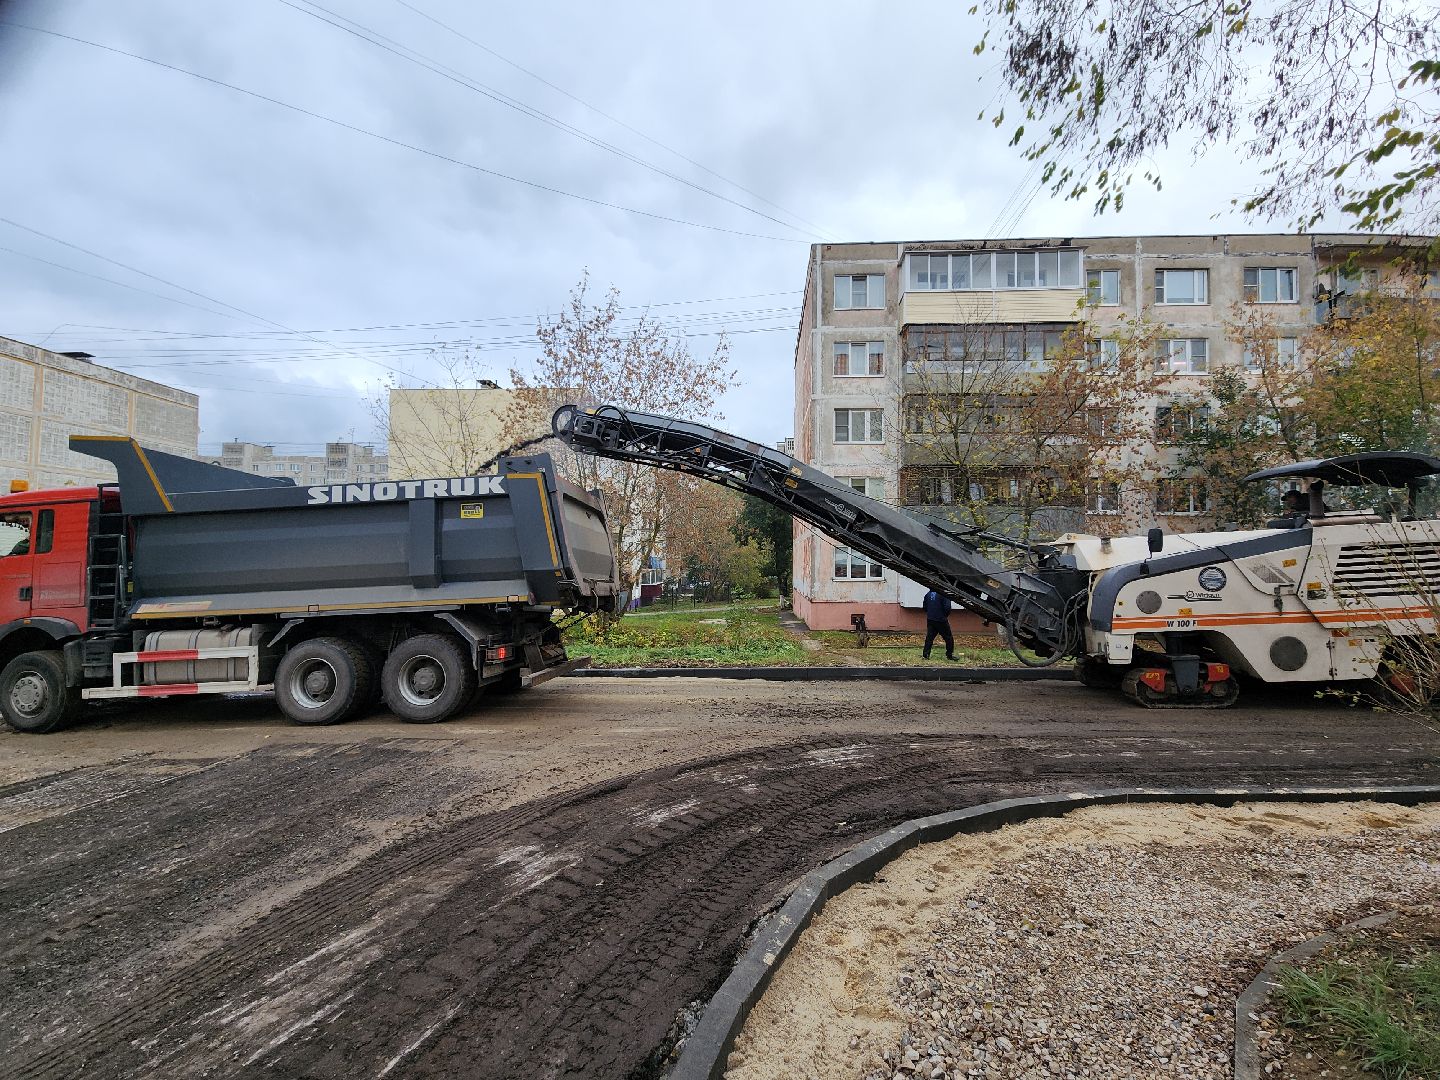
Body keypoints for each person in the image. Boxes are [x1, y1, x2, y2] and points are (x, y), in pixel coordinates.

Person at [921, 589, 956, 661]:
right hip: (941, 620)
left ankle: (926, 655)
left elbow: (924, 607)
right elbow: (947, 608)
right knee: (948, 638)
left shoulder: (928, 594)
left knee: (929, 638)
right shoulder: (944, 594)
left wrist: (931, 613)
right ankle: (949, 655)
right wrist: (944, 616)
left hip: (930, 619)